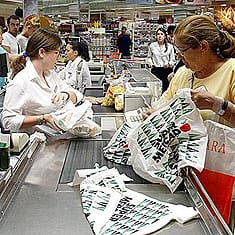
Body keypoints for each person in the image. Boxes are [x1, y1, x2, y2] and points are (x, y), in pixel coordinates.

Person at [145, 15, 235, 128]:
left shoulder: (231, 71)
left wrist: (217, 105)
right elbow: (164, 104)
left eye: (182, 51)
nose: (178, 57)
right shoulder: (182, 74)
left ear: (203, 46)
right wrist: (154, 114)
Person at [2, 28, 83, 134]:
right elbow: (7, 121)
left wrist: (66, 94)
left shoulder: (50, 74)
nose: (58, 58)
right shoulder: (21, 82)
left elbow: (78, 95)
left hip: (57, 138)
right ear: (41, 52)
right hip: (37, 145)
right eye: (56, 53)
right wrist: (42, 119)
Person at [147, 26, 176, 93]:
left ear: (165, 36)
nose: (159, 36)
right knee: (154, 89)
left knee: (165, 90)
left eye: (161, 34)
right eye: (158, 34)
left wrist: (168, 64)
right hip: (155, 70)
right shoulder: (152, 46)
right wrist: (151, 64)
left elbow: (173, 60)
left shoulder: (170, 47)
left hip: (166, 71)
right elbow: (149, 57)